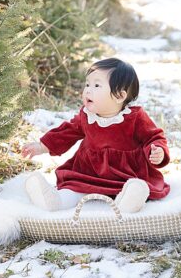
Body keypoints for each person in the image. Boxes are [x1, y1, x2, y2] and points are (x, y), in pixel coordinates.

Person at [20, 57, 169, 213]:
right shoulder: (86, 116)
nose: (88, 90)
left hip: (125, 174)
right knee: (75, 187)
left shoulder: (135, 117)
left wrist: (157, 150)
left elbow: (153, 137)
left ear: (119, 96)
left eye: (96, 85)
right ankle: (54, 201)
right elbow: (66, 132)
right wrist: (42, 146)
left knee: (133, 187)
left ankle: (128, 202)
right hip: (88, 173)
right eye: (87, 84)